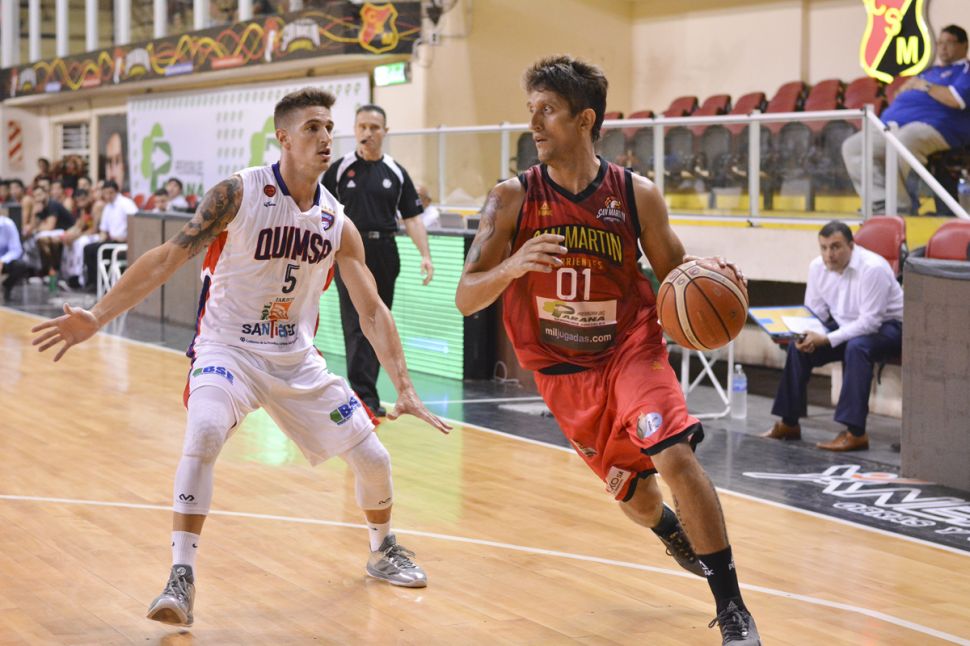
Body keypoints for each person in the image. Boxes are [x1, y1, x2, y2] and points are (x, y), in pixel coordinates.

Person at [30, 87, 451, 628]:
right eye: (312, 128)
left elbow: (371, 310)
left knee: (375, 459)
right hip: (227, 347)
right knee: (205, 430)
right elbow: (166, 258)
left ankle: (382, 547)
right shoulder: (238, 193)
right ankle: (181, 575)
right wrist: (97, 315)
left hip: (295, 357)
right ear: (284, 138)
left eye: (329, 127)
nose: (326, 137)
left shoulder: (336, 221)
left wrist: (405, 387)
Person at [455, 56, 760, 645]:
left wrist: (716, 282)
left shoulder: (636, 195)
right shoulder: (512, 199)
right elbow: (467, 298)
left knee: (674, 454)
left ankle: (733, 609)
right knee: (640, 500)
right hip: (563, 372)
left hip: (630, 350)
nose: (534, 124)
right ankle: (667, 527)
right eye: (531, 111)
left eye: (547, 111)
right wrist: (513, 265)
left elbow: (677, 279)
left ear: (585, 119)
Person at [322, 104, 434, 417]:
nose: (368, 133)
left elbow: (412, 218)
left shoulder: (395, 172)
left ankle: (369, 392)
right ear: (355, 130)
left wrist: (425, 255)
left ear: (385, 131)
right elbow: (321, 212)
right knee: (357, 323)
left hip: (385, 250)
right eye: (362, 127)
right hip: (349, 252)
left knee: (380, 323)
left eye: (374, 127)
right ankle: (363, 397)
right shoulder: (340, 169)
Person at [764, 220, 903, 451]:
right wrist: (801, 334)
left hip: (889, 327)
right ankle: (789, 424)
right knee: (799, 347)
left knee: (857, 347)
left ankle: (856, 434)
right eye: (824, 247)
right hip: (846, 325)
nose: (829, 254)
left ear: (851, 246)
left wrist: (827, 339)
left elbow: (870, 322)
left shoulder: (873, 268)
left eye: (836, 247)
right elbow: (815, 313)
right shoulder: (817, 267)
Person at [842, 24, 970, 213]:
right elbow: (900, 95)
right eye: (940, 42)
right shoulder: (929, 71)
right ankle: (880, 202)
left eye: (949, 43)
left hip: (937, 128)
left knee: (902, 141)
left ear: (964, 45)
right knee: (854, 146)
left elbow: (956, 100)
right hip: (894, 125)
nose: (942, 48)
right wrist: (907, 89)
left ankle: (899, 206)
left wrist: (926, 86)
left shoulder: (965, 70)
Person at [82, 180, 136, 292]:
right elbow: (103, 230)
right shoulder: (107, 207)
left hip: (124, 241)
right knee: (88, 248)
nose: (108, 196)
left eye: (111, 193)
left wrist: (127, 237)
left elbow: (135, 223)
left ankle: (102, 285)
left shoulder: (126, 204)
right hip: (112, 241)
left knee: (98, 250)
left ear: (117, 191)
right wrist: (101, 239)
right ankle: (94, 283)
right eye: (105, 193)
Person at [0, 212, 29, 300]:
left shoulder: (8, 224)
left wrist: (2, 260)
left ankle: (7, 286)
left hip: (4, 261)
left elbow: (16, 249)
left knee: (20, 265)